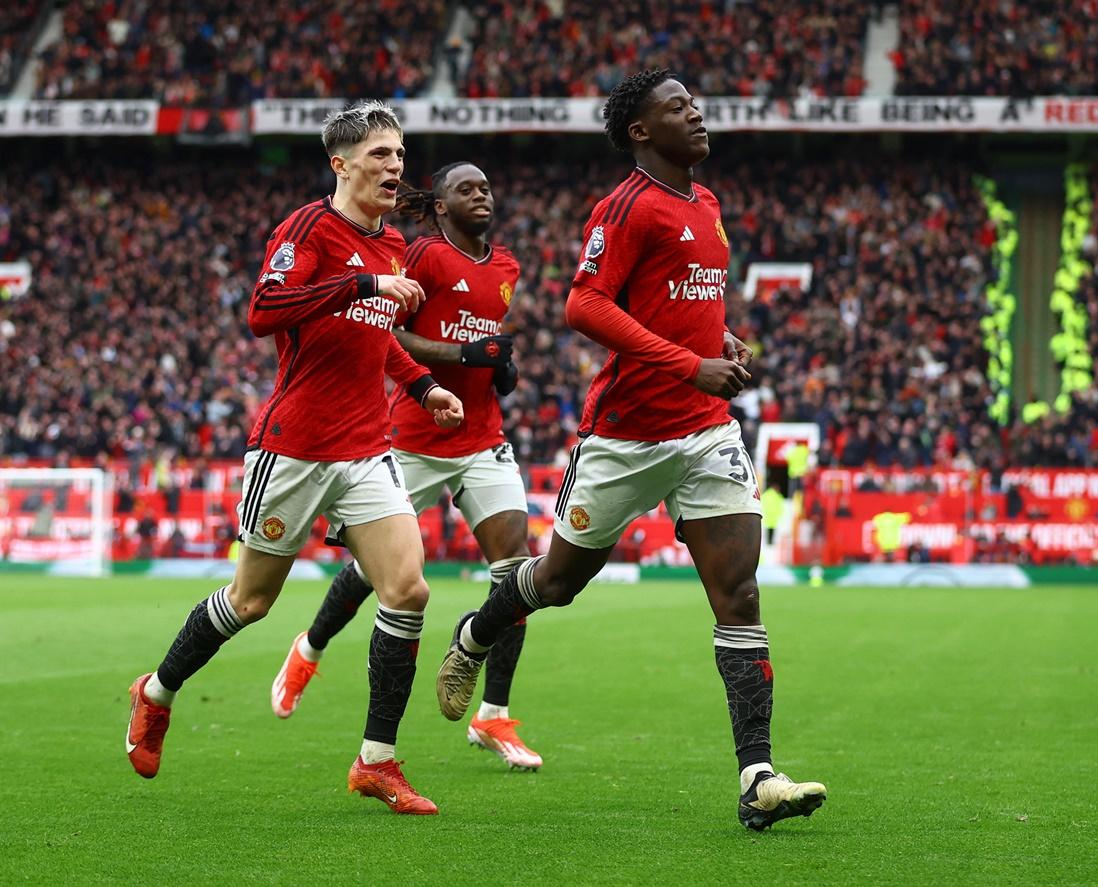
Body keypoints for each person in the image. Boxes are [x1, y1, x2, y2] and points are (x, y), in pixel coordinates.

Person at [433, 69, 826, 831]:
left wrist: (719, 341)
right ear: (642, 131)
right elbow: (584, 304)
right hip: (625, 434)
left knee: (739, 593)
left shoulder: (705, 204)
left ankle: (757, 775)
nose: (698, 111)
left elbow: (686, 301)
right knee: (555, 581)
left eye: (695, 101)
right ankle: (477, 631)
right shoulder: (625, 207)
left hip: (707, 428)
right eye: (678, 106)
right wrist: (688, 361)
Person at [123, 100, 465, 816]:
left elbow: (378, 340)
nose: (394, 167)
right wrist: (360, 283)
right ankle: (155, 692)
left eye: (399, 155)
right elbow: (263, 310)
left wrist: (426, 384)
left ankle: (377, 761)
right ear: (340, 164)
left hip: (367, 448)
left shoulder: (394, 243)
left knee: (408, 590)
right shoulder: (309, 229)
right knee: (251, 601)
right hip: (293, 448)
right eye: (379, 155)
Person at [271, 161, 542, 770]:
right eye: (465, 189)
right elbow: (385, 334)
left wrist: (499, 365)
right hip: (415, 434)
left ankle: (494, 716)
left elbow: (487, 343)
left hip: (481, 438)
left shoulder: (506, 267)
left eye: (486, 186)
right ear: (440, 206)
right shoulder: (417, 255)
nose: (481, 195)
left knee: (514, 573)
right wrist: (464, 351)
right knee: (375, 574)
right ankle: (310, 647)